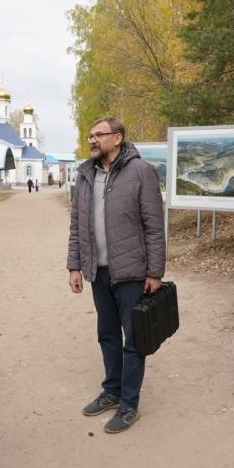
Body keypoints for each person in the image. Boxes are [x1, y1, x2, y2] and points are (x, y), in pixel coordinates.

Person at [67, 116, 165, 434]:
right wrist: (74, 266)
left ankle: (129, 405)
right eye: (90, 135)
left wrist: (155, 271)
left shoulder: (140, 172)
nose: (92, 140)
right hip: (99, 271)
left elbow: (153, 225)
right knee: (106, 334)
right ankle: (112, 390)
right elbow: (76, 226)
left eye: (99, 135)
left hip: (132, 274)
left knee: (133, 339)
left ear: (118, 137)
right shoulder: (85, 175)